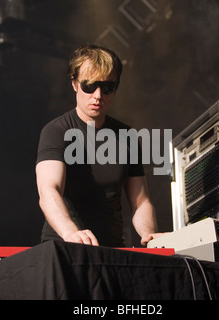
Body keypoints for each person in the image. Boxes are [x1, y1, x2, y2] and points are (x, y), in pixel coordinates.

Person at [35, 44, 162, 247]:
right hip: (64, 247)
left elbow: (141, 202)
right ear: (75, 83)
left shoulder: (127, 137)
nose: (98, 95)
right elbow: (49, 190)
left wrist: (149, 234)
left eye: (107, 87)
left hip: (112, 250)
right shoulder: (56, 131)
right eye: (89, 86)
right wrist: (71, 233)